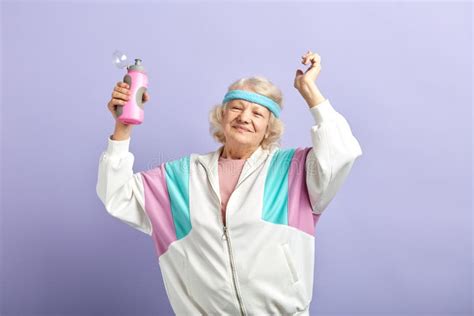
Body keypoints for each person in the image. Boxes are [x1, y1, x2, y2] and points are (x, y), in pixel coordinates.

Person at [96, 50, 363, 315]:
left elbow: (341, 153)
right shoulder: (180, 177)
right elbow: (116, 194)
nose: (244, 117)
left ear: (269, 128)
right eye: (236, 107)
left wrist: (309, 90)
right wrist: (123, 128)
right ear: (222, 116)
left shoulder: (293, 170)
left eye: (258, 113)